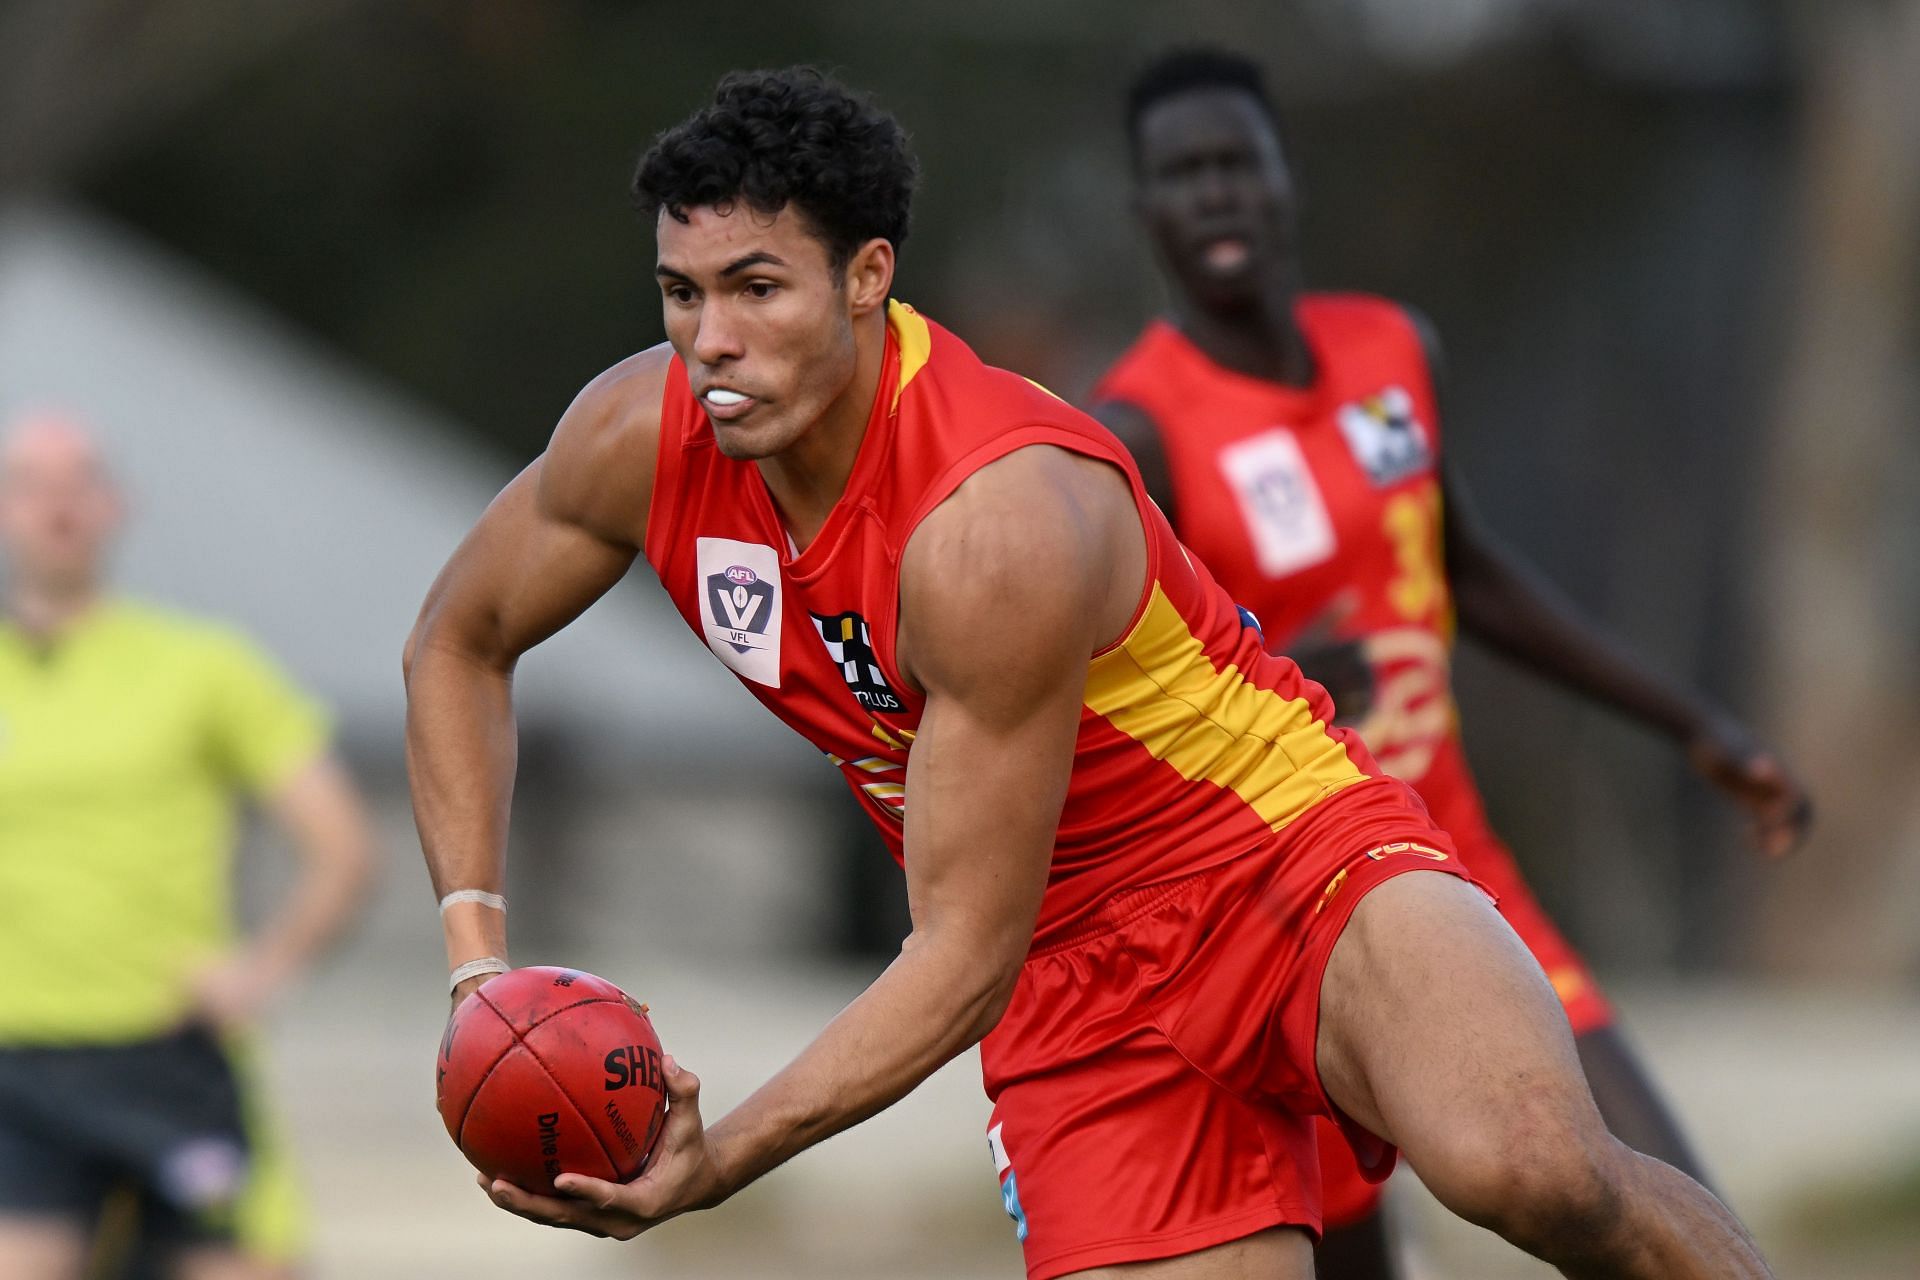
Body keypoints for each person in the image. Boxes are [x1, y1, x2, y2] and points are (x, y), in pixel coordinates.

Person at [404, 67, 1774, 1280]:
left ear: (868, 278)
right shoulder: (636, 438)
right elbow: (456, 644)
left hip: (1277, 855)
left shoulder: (986, 524)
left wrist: (725, 1157)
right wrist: (479, 968)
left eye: (758, 289)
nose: (710, 342)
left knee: (1522, 1164)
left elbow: (956, 955)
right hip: (1071, 975)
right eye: (682, 294)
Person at [1088, 48, 1812, 1279]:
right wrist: (1288, 669)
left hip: (1461, 866)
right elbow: (1130, 694)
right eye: (1181, 175)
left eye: (1236, 164)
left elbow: (1467, 570)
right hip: (1290, 919)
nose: (1215, 196)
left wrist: (1693, 720)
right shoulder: (1137, 431)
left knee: (1655, 1206)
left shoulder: (1391, 351)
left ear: (1282, 178)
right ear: (1145, 209)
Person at [0, 414, 376, 1280]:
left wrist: (266, 968)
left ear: (114, 505)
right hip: (16, 1068)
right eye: (32, 485)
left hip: (169, 1048)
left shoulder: (201, 665)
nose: (57, 506)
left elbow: (344, 846)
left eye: (77, 482)